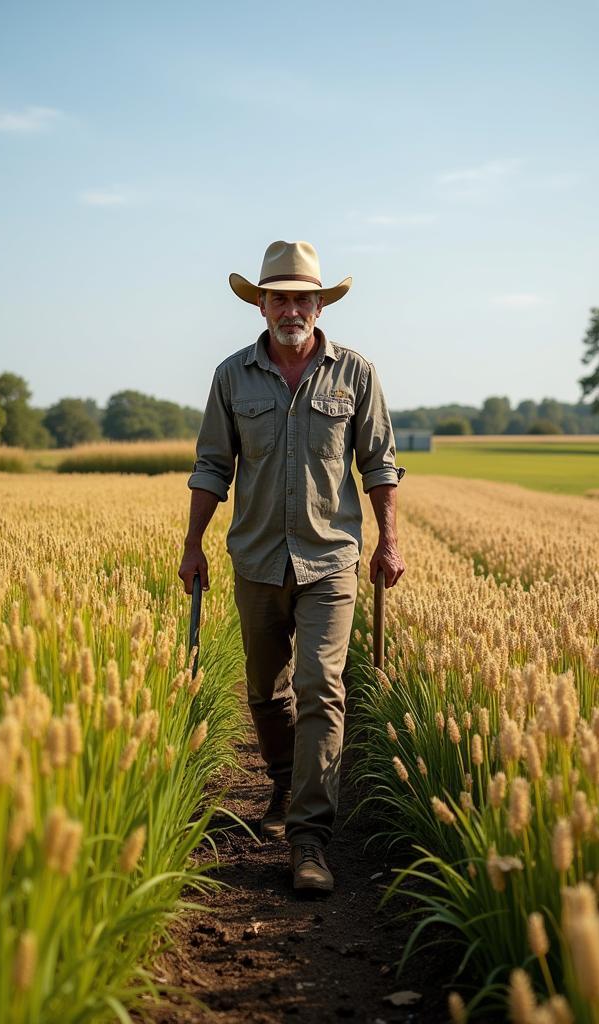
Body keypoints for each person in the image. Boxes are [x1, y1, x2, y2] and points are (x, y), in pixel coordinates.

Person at [178, 239, 405, 895]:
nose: (292, 309)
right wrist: (193, 545)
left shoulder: (355, 374)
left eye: (303, 297)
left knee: (321, 690)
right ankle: (282, 783)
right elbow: (212, 466)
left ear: (317, 303)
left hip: (330, 558)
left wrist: (388, 542)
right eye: (280, 298)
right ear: (263, 305)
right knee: (265, 691)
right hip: (255, 558)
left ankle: (310, 842)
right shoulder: (231, 377)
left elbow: (380, 467)